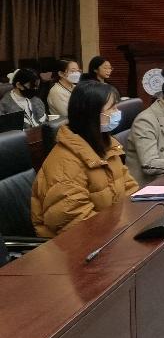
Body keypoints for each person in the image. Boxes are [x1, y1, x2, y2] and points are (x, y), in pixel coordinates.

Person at [30, 81, 138, 237]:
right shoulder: (65, 163)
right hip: (72, 244)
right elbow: (74, 221)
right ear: (91, 114)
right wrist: (122, 229)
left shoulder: (107, 146)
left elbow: (128, 187)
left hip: (110, 231)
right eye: (112, 108)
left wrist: (137, 217)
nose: (117, 112)